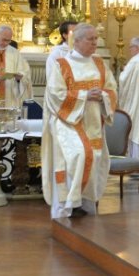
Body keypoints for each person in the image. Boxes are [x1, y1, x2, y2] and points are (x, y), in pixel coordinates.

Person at [41, 23, 117, 219]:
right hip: (68, 123)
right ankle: (68, 204)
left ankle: (84, 203)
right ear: (77, 41)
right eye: (91, 39)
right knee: (78, 156)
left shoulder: (100, 63)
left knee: (94, 159)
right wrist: (84, 95)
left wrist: (103, 96)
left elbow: (111, 88)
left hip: (93, 122)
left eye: (95, 39)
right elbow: (55, 95)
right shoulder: (62, 64)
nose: (95, 42)